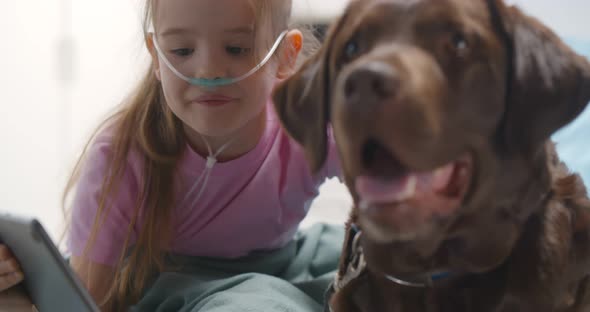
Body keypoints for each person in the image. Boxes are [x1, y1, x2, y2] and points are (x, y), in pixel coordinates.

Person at [0, 0, 341, 310]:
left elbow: (389, 184)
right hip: (171, 282)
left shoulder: (308, 124)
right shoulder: (120, 157)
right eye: (181, 50)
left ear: (285, 55)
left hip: (284, 262)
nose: (208, 71)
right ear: (156, 57)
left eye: (236, 48)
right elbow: (86, 300)